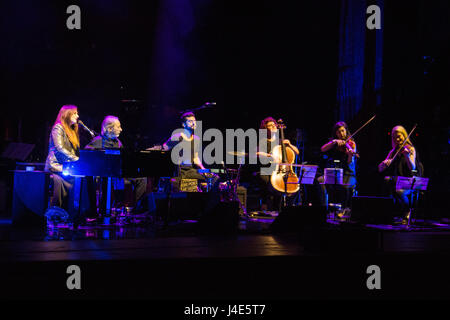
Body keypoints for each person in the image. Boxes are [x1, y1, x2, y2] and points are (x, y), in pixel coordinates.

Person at [85, 115, 147, 213]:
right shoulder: (97, 141)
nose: (121, 129)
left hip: (119, 174)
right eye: (118, 127)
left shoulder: (118, 142)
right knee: (109, 180)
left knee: (142, 179)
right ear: (109, 129)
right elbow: (87, 157)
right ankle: (107, 209)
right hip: (106, 175)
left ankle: (136, 208)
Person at [378, 125, 423, 223]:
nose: (397, 139)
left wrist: (407, 156)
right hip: (400, 181)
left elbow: (413, 168)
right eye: (394, 138)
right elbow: (380, 169)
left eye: (399, 136)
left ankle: (407, 211)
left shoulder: (410, 149)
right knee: (387, 180)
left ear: (404, 135)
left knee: (399, 191)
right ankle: (391, 211)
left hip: (413, 181)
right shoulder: (393, 151)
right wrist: (383, 164)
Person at [255, 117, 299, 212]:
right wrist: (270, 155)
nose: (273, 126)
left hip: (280, 170)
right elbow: (257, 153)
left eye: (274, 125)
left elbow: (296, 152)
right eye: (270, 125)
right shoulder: (263, 141)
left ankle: (278, 208)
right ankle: (265, 203)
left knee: (283, 183)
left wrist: (290, 145)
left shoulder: (281, 141)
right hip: (267, 169)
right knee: (265, 179)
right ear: (265, 129)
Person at [45, 105, 80, 214]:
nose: (77, 116)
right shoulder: (58, 128)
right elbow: (59, 148)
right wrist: (76, 159)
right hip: (56, 166)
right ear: (67, 114)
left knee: (82, 179)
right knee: (62, 181)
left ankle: (73, 212)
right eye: (74, 113)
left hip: (67, 167)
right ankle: (55, 212)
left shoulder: (72, 131)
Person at [318, 121, 357, 217]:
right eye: (339, 132)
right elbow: (323, 149)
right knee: (320, 181)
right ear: (336, 133)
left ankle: (344, 208)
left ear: (346, 131)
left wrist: (350, 155)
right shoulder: (334, 142)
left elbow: (349, 163)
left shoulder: (351, 143)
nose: (341, 134)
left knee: (345, 186)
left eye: (343, 131)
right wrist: (334, 142)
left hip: (347, 172)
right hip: (334, 171)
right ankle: (324, 207)